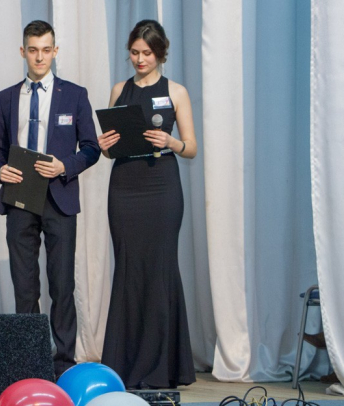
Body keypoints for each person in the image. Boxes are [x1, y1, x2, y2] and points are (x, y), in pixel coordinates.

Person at [0, 20, 100, 378]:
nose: (40, 57)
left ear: (55, 51)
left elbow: (92, 148)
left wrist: (64, 166)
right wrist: (1, 170)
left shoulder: (75, 95)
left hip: (59, 198)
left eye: (46, 50)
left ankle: (63, 364)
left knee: (62, 284)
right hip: (20, 196)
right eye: (33, 50)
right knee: (24, 286)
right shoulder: (6, 97)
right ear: (23, 51)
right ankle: (28, 364)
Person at [98, 19, 197, 389]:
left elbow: (191, 148)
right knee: (128, 270)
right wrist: (104, 146)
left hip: (161, 188)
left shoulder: (176, 91)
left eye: (148, 53)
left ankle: (162, 367)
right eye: (135, 52)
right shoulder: (119, 89)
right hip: (124, 187)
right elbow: (110, 148)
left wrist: (170, 142)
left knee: (160, 270)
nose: (140, 59)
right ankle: (124, 365)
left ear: (161, 53)